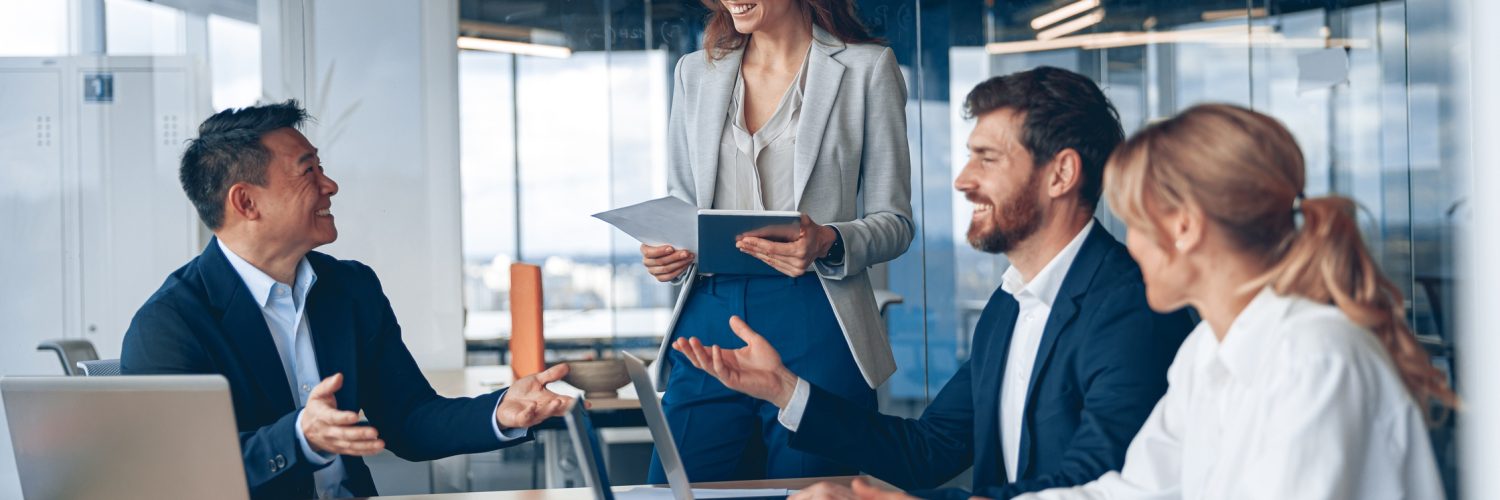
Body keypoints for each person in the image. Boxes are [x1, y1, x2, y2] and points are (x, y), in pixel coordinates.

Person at [673, 66, 1195, 499]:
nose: (963, 179)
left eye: (987, 159)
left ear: (1061, 174)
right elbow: (927, 452)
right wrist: (782, 388)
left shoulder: (1134, 309)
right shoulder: (1010, 305)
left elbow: (1094, 484)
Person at [121, 101, 576, 500]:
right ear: (246, 202)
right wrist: (299, 438)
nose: (330, 185)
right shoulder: (169, 323)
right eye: (308, 171)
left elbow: (409, 419)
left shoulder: (351, 288)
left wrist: (498, 412)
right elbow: (179, 473)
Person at [1005, 104, 1458, 498]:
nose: (1131, 247)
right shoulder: (1205, 351)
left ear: (1184, 227)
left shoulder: (1314, 356)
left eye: (1135, 225)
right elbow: (1137, 492)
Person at [639, 0, 914, 482]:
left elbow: (895, 222)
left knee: (814, 489)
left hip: (817, 312)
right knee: (675, 488)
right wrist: (669, 252)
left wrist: (829, 239)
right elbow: (684, 205)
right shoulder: (695, 73)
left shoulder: (866, 67)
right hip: (709, 313)